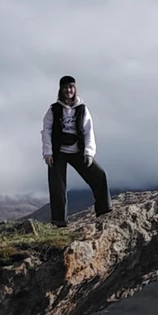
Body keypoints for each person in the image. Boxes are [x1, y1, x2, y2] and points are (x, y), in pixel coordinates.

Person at [42, 76, 111, 227]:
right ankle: (59, 222)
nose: (69, 90)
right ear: (61, 90)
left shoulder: (82, 109)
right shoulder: (53, 109)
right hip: (57, 152)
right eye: (66, 87)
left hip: (78, 150)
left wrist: (89, 152)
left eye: (71, 87)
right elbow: (46, 131)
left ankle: (104, 210)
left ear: (75, 89)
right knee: (57, 187)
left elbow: (88, 130)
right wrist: (48, 152)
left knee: (99, 175)